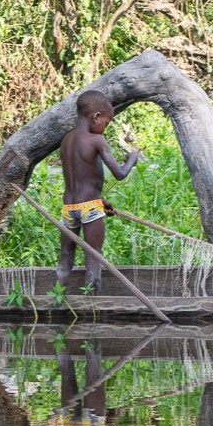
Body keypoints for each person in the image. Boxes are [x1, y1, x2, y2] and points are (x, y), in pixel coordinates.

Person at [56, 90, 138, 294]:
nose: (105, 128)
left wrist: (100, 200)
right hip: (90, 208)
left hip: (69, 208)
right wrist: (132, 159)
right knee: (93, 257)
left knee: (66, 256)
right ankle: (93, 308)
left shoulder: (66, 141)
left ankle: (56, 299)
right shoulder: (96, 141)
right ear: (96, 117)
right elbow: (119, 174)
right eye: (107, 123)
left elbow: (80, 178)